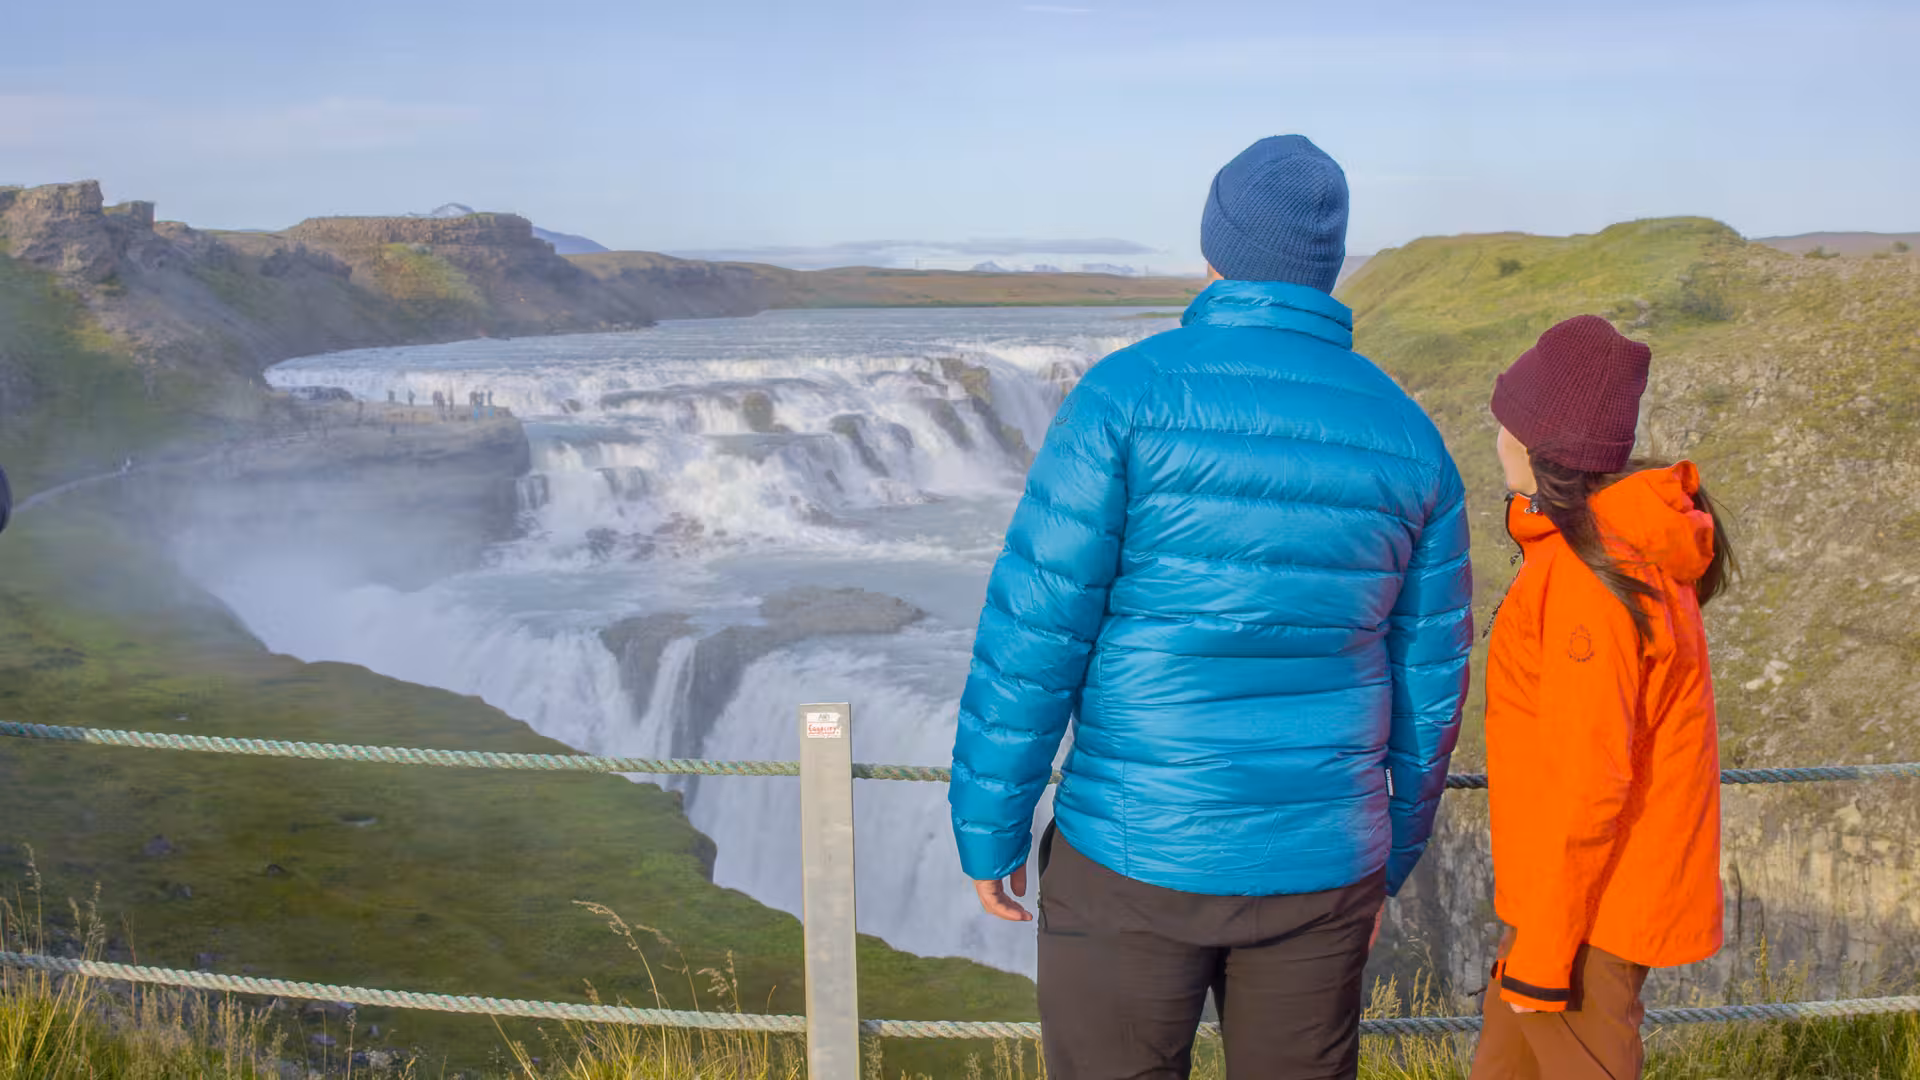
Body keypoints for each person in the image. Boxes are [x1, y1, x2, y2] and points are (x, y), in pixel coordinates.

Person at [949, 134, 1474, 1079]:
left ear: (1213, 249)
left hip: (1132, 850)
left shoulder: (1126, 395)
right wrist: (1390, 851)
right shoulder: (1410, 435)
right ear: (1330, 262)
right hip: (1323, 863)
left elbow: (1035, 631)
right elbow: (1430, 679)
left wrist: (991, 820)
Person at [1470, 316, 1733, 1080]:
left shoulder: (1590, 579)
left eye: (1506, 423)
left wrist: (1544, 958)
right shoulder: (1606, 551)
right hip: (1569, 901)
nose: (1495, 439)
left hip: (1588, 915)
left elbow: (1590, 785)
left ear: (1539, 444)